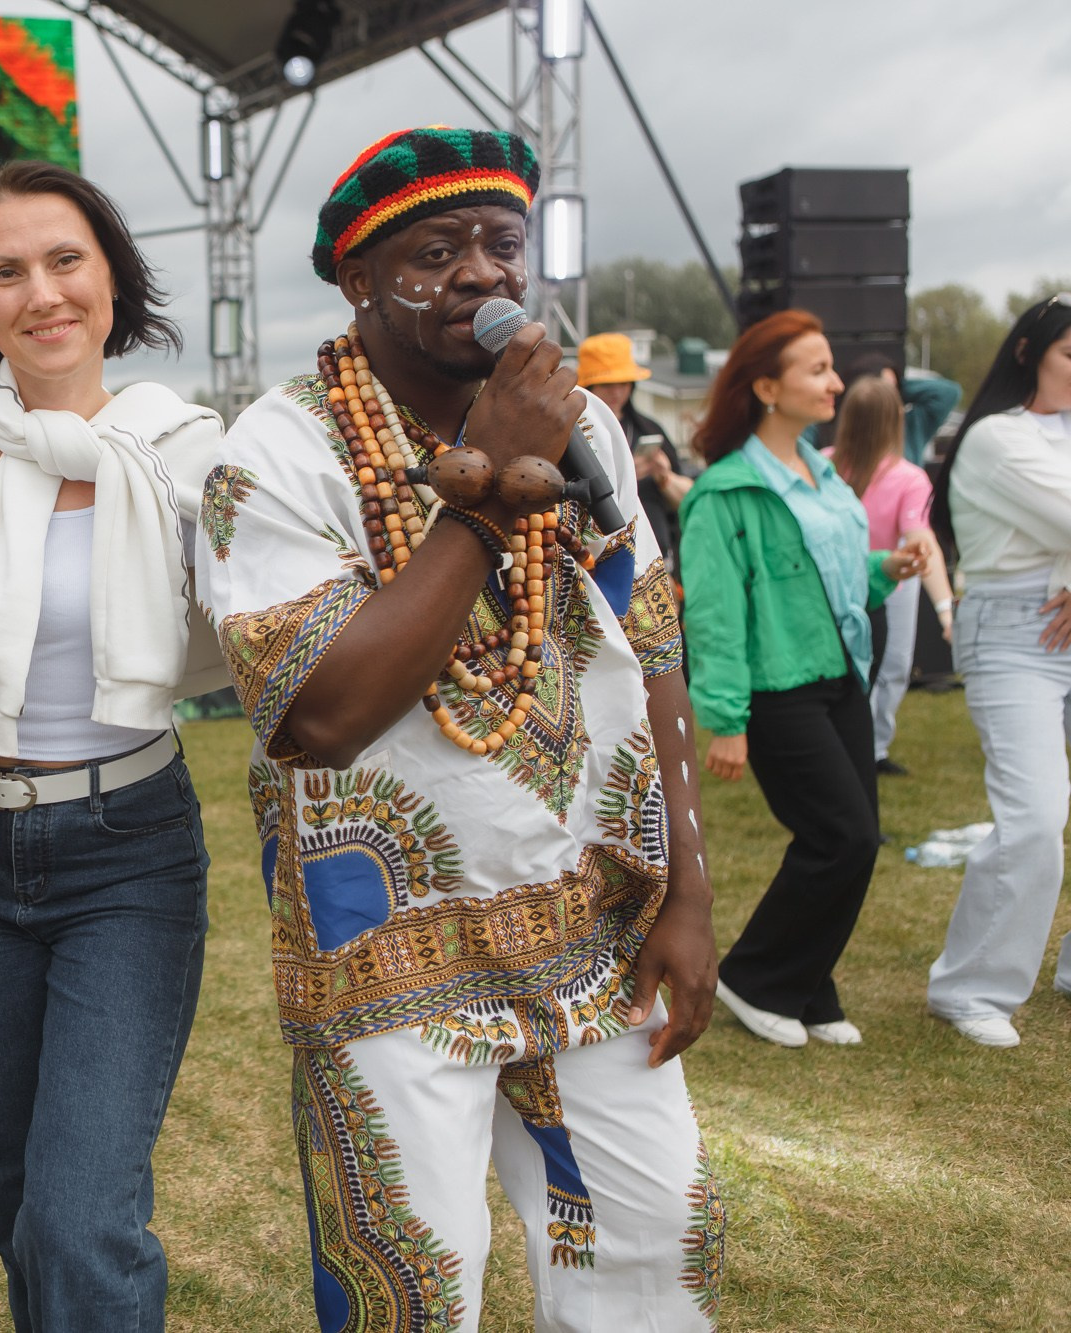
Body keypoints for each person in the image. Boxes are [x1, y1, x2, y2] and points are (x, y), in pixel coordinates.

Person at [201, 127, 723, 1331]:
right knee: (412, 1292)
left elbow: (649, 649)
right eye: (435, 252)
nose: (482, 275)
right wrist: (489, 485)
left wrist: (687, 893)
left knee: (649, 1247)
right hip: (385, 957)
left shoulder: (583, 430)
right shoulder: (274, 452)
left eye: (500, 244)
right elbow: (321, 714)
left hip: (596, 923)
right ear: (355, 281)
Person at [0, 160, 223, 1332]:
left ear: (110, 271)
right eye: (3, 271)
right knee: (9, 1195)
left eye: (65, 259)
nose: (41, 293)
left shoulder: (192, 454)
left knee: (79, 1214)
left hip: (128, 852)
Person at [679, 311, 924, 1049]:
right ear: (765, 386)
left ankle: (812, 988)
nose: (837, 383)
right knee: (840, 836)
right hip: (777, 691)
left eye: (831, 367)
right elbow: (717, 617)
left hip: (841, 677)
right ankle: (755, 976)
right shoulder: (723, 494)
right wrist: (726, 718)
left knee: (859, 837)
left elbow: (835, 578)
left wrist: (887, 569)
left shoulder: (823, 473)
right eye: (817, 370)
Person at [925, 294, 1071, 1048]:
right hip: (1017, 634)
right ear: (1028, 353)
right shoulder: (993, 438)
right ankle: (970, 986)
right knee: (1037, 817)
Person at [826, 375, 956, 775]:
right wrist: (946, 608)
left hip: (891, 582)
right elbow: (923, 543)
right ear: (894, 421)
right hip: (840, 582)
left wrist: (945, 605)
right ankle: (856, 746)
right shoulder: (823, 465)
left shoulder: (907, 477)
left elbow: (920, 541)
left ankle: (873, 749)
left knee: (888, 667)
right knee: (867, 669)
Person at [578, 332, 690, 566]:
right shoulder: (574, 433)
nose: (616, 392)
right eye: (607, 384)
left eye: (623, 383)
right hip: (597, 559)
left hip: (657, 557)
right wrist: (625, 479)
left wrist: (664, 478)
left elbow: (690, 500)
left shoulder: (648, 428)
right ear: (589, 384)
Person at [802, 350, 961, 468]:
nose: (886, 395)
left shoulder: (909, 427)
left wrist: (895, 388)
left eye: (894, 389)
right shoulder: (823, 433)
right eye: (878, 389)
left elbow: (948, 393)